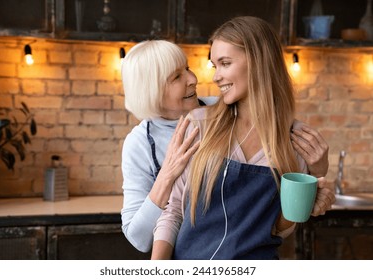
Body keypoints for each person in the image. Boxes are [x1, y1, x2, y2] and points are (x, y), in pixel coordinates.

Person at [121, 39, 330, 253]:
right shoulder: (139, 143)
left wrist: (318, 170)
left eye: (187, 69)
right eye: (176, 77)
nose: (193, 79)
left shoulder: (223, 110)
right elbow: (140, 237)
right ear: (151, 91)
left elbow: (273, 220)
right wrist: (166, 175)